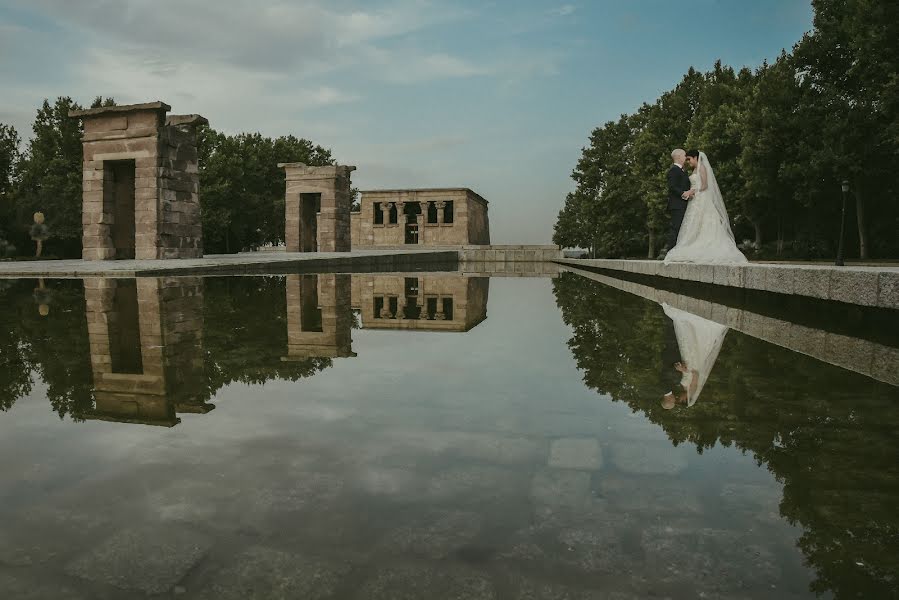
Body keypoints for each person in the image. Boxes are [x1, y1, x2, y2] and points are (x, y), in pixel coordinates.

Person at [664, 150, 748, 264]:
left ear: (695, 157)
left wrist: (693, 191)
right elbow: (674, 186)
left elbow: (704, 185)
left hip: (700, 199)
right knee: (690, 226)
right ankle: (675, 249)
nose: (688, 161)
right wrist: (688, 192)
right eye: (686, 158)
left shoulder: (702, 168)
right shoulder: (682, 170)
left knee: (703, 223)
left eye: (689, 158)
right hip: (692, 201)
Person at [659, 303, 729, 409]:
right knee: (694, 342)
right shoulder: (691, 391)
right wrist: (684, 370)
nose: (677, 398)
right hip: (692, 364)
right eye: (680, 400)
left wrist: (682, 369)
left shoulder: (680, 387)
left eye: (675, 400)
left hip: (686, 361)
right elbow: (696, 374)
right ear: (685, 399)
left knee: (687, 340)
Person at [662, 149, 694, 258]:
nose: (686, 157)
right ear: (679, 156)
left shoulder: (682, 171)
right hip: (677, 205)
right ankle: (669, 253)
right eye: (685, 155)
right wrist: (684, 193)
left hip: (683, 204)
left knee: (682, 229)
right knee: (676, 228)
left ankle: (678, 253)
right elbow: (672, 187)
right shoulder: (673, 170)